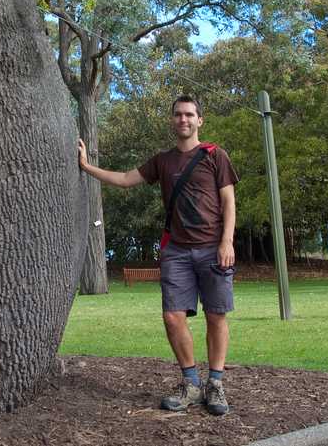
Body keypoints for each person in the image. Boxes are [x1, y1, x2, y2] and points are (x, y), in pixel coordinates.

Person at [77, 95, 238, 416]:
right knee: (172, 317)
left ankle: (215, 384)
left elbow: (229, 202)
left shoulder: (215, 156)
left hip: (212, 248)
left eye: (190, 115)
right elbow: (124, 180)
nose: (184, 120)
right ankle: (191, 384)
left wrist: (227, 241)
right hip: (177, 251)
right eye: (178, 114)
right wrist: (85, 166)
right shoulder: (162, 161)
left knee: (216, 315)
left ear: (199, 120)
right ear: (172, 120)